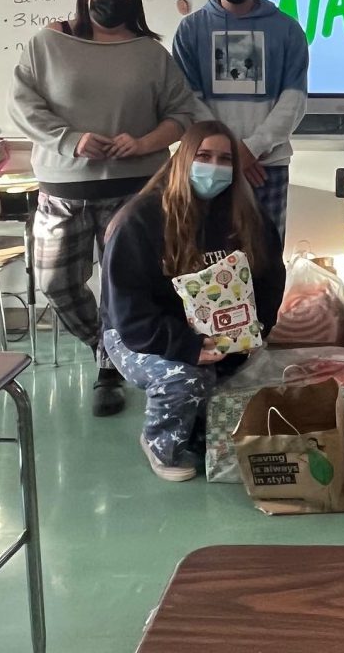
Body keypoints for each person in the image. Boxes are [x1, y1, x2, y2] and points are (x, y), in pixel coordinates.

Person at [9, 0, 199, 417]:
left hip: (136, 189)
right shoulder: (48, 43)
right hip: (62, 189)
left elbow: (182, 115)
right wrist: (70, 140)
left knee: (124, 285)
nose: (110, 0)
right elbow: (23, 105)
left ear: (133, 1)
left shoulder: (150, 53)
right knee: (56, 283)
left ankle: (108, 371)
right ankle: (109, 348)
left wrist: (143, 143)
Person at [100, 121, 285, 481]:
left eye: (224, 159)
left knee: (241, 379)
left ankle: (199, 424)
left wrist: (252, 333)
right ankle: (159, 445)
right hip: (137, 334)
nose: (214, 166)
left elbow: (269, 280)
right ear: (184, 160)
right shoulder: (141, 219)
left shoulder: (249, 216)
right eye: (204, 156)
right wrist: (185, 346)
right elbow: (128, 313)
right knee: (186, 377)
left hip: (219, 333)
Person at [172, 0, 308, 242]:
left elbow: (294, 100)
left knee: (265, 255)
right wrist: (232, 152)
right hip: (208, 164)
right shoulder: (191, 29)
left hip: (266, 164)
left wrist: (251, 149)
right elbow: (188, 100)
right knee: (206, 255)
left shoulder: (286, 29)